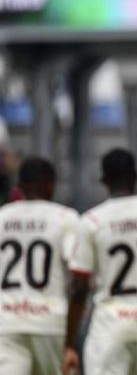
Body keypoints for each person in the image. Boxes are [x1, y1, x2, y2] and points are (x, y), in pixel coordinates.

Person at [62, 148, 137, 375]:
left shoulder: (92, 220)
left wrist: (68, 343)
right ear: (136, 175)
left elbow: (79, 288)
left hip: (111, 328)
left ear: (103, 179)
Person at [0, 157, 79, 375]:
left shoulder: (2, 217)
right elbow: (79, 275)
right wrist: (70, 341)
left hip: (7, 322)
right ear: (51, 183)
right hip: (50, 322)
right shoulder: (65, 218)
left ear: (19, 185)